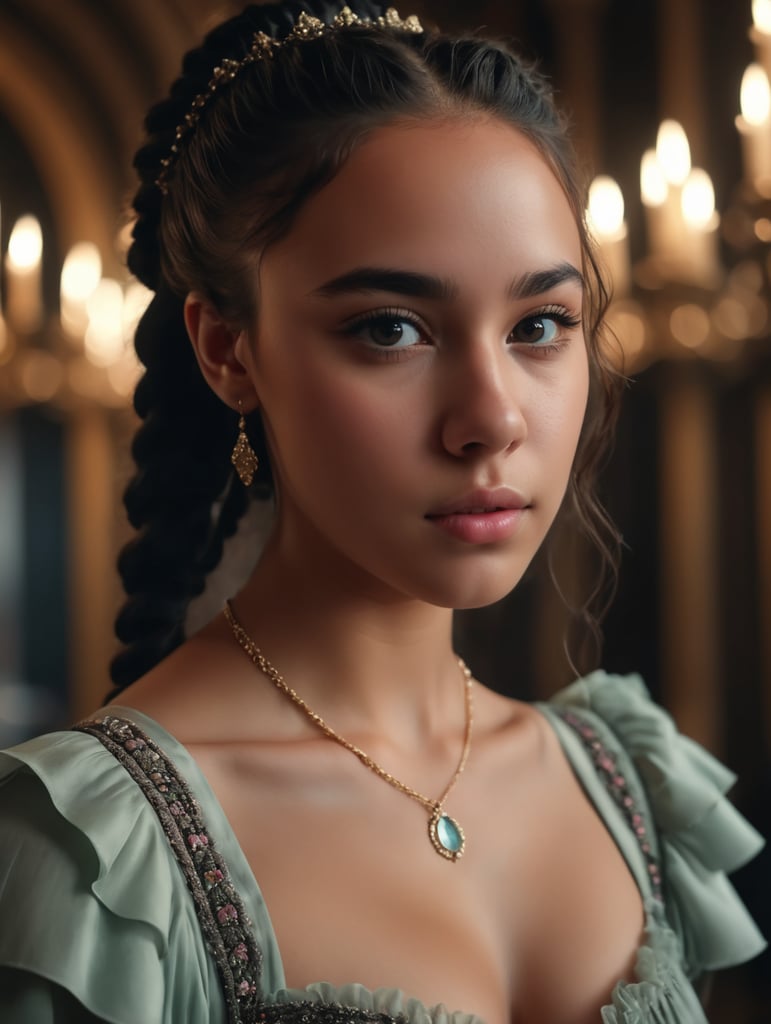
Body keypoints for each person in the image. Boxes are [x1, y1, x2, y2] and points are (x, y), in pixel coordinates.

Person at [0, 2, 765, 1021]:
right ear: (229, 350)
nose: (491, 418)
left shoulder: (629, 787)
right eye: (393, 329)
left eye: (540, 323)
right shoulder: (94, 856)